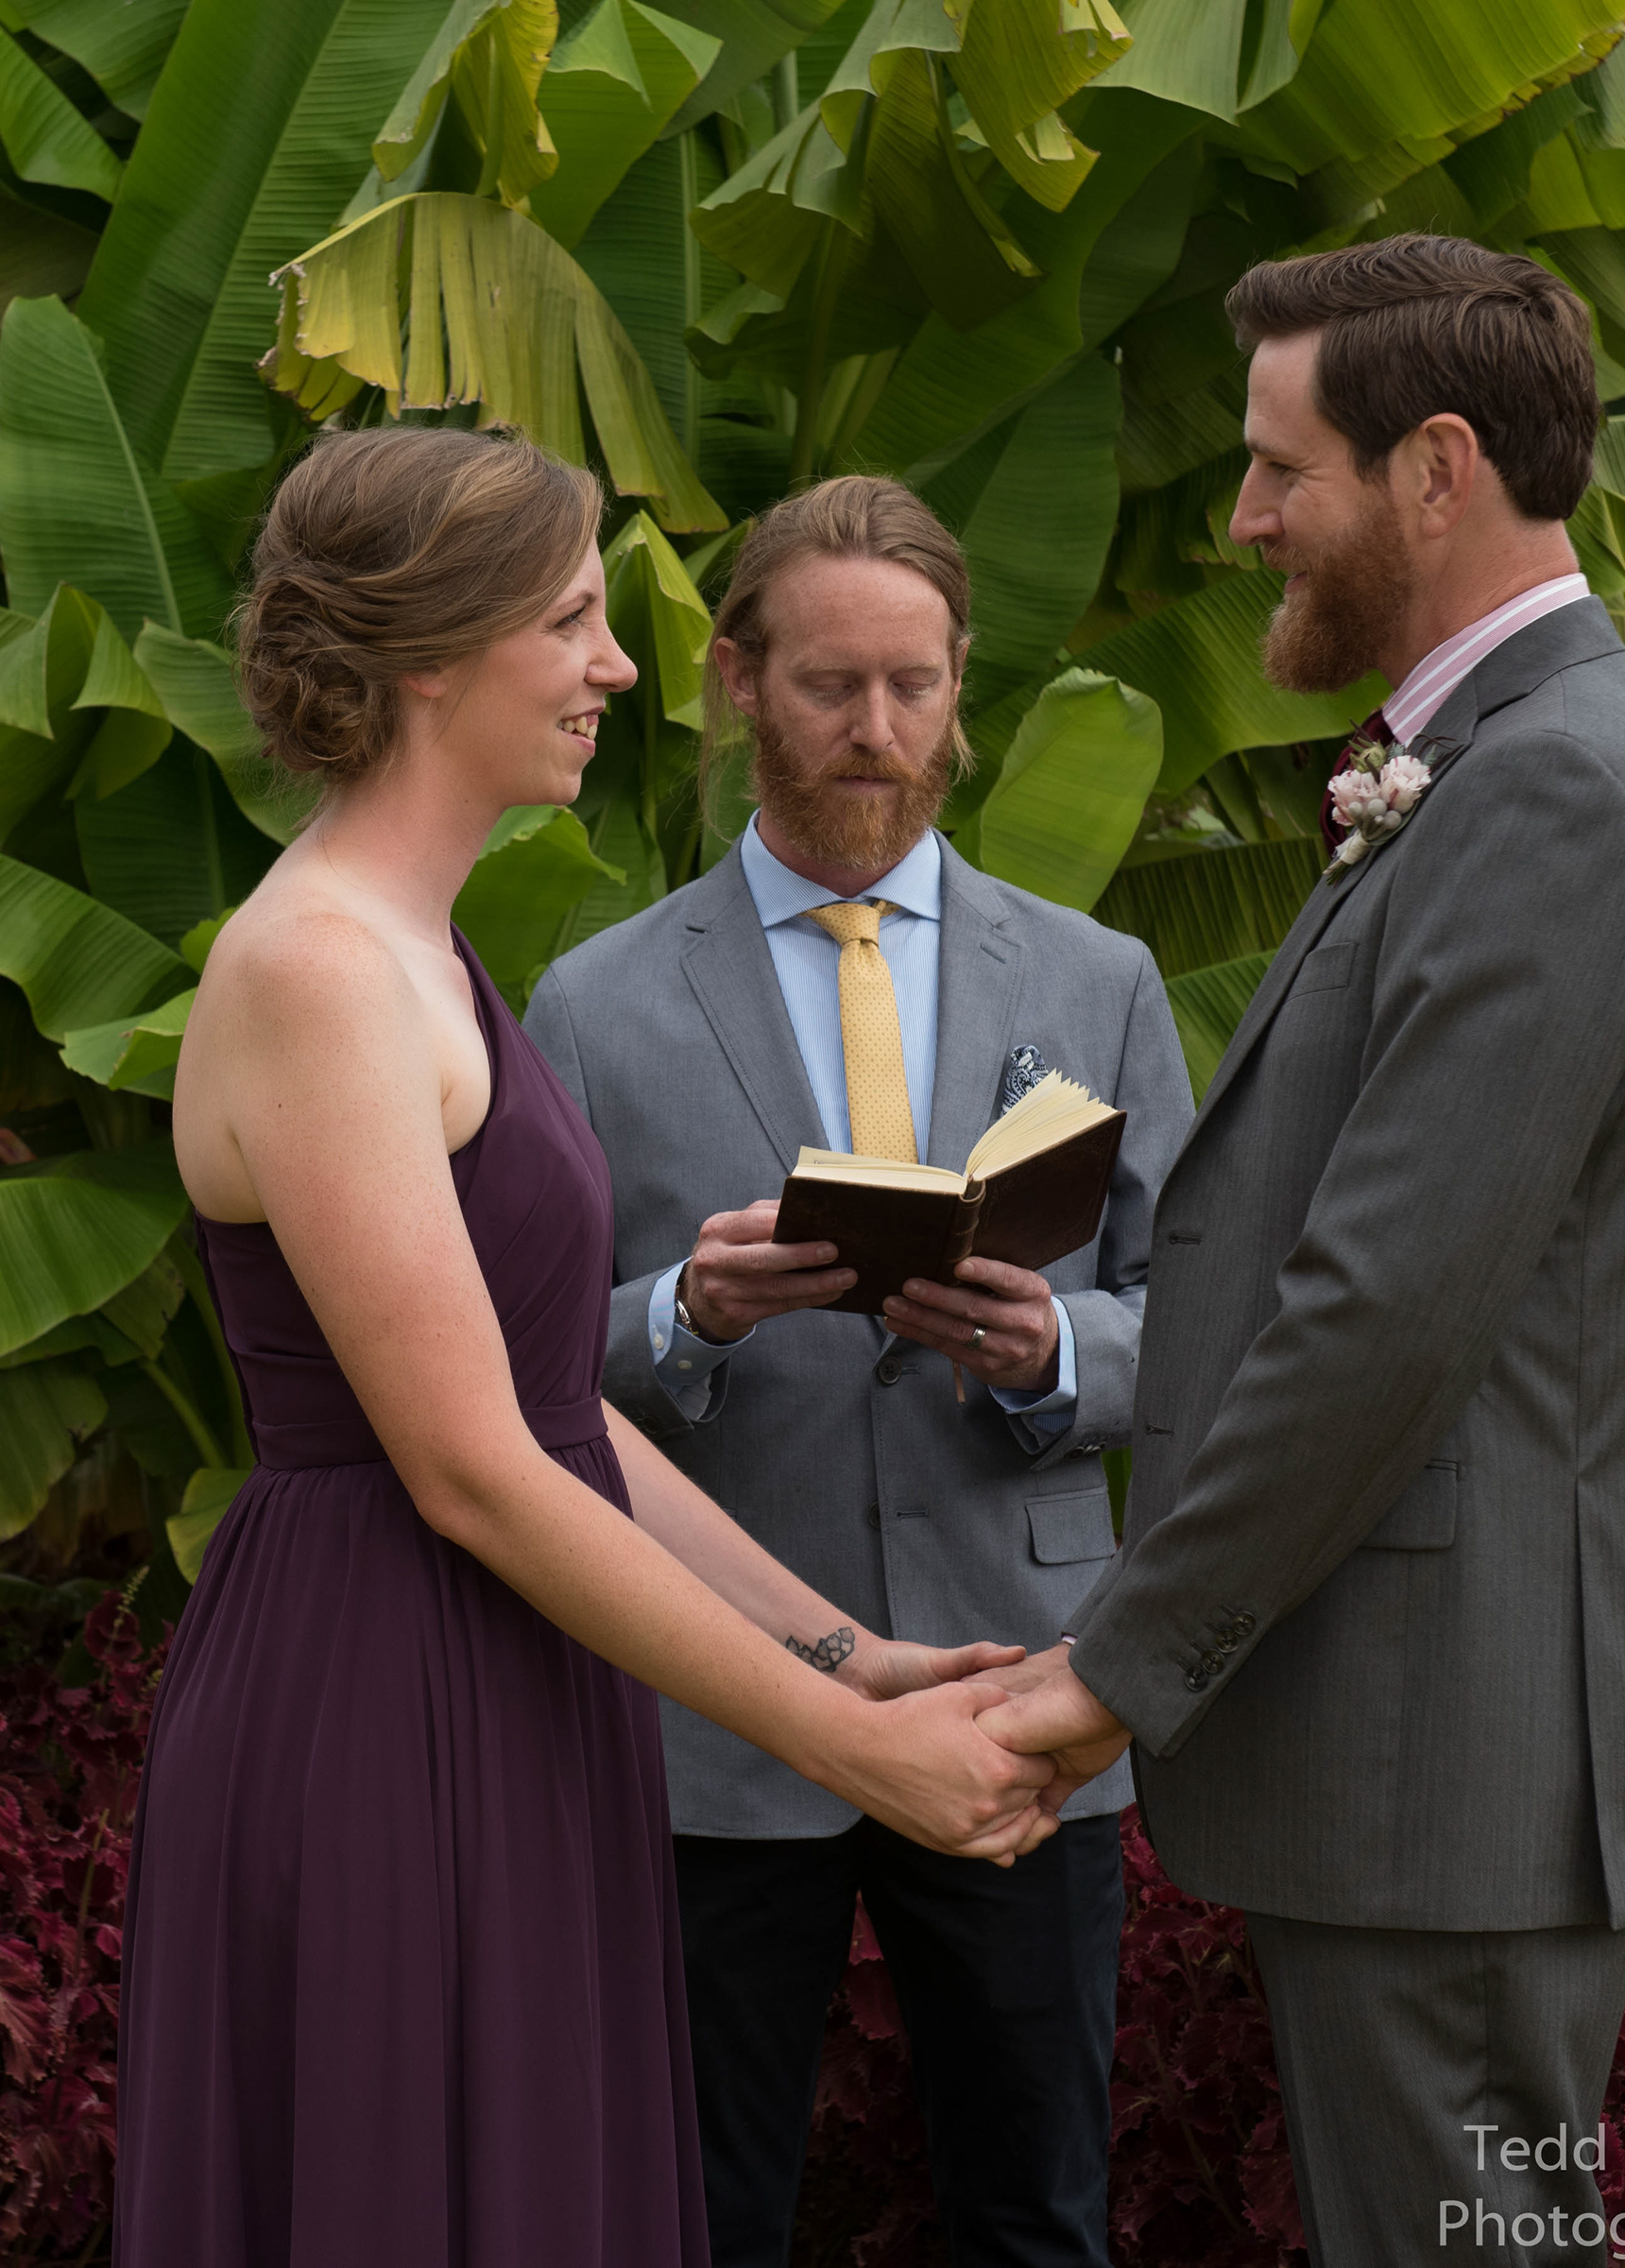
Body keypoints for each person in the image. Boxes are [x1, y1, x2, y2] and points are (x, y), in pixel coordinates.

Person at [114, 428, 1059, 2268]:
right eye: (568, 622)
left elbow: (553, 1410)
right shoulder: (320, 972)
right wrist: (854, 1758)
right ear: (429, 658)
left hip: (510, 1677)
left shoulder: (414, 947)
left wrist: (848, 1655)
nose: (619, 667)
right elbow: (472, 1469)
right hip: (381, 1692)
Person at [982, 236, 1625, 2267]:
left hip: (1452, 1778)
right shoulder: (1492, 764)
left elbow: (1383, 1311)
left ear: (1437, 469)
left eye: (1278, 467)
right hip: (1419, 1774)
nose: (1243, 518)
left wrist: (1117, 1671)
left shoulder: (1548, 792)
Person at [524, 474, 1193, 2268]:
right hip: (718, 1700)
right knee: (699, 2210)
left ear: (963, 683)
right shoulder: (590, 1000)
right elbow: (519, 1365)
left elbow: (1205, 1325)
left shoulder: (1101, 978)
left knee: (1036, 2212)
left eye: (916, 684)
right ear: (740, 679)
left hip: (1018, 1682)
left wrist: (1056, 1352)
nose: (879, 731)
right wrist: (688, 1315)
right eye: (831, 685)